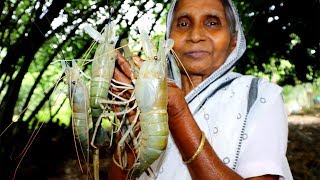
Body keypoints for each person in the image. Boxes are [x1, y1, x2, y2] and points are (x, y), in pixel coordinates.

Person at [109, 0, 293, 179]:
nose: (195, 35)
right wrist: (132, 131)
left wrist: (178, 114)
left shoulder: (260, 95)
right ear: (168, 39)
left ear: (234, 41)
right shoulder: (146, 95)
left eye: (212, 23)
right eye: (182, 24)